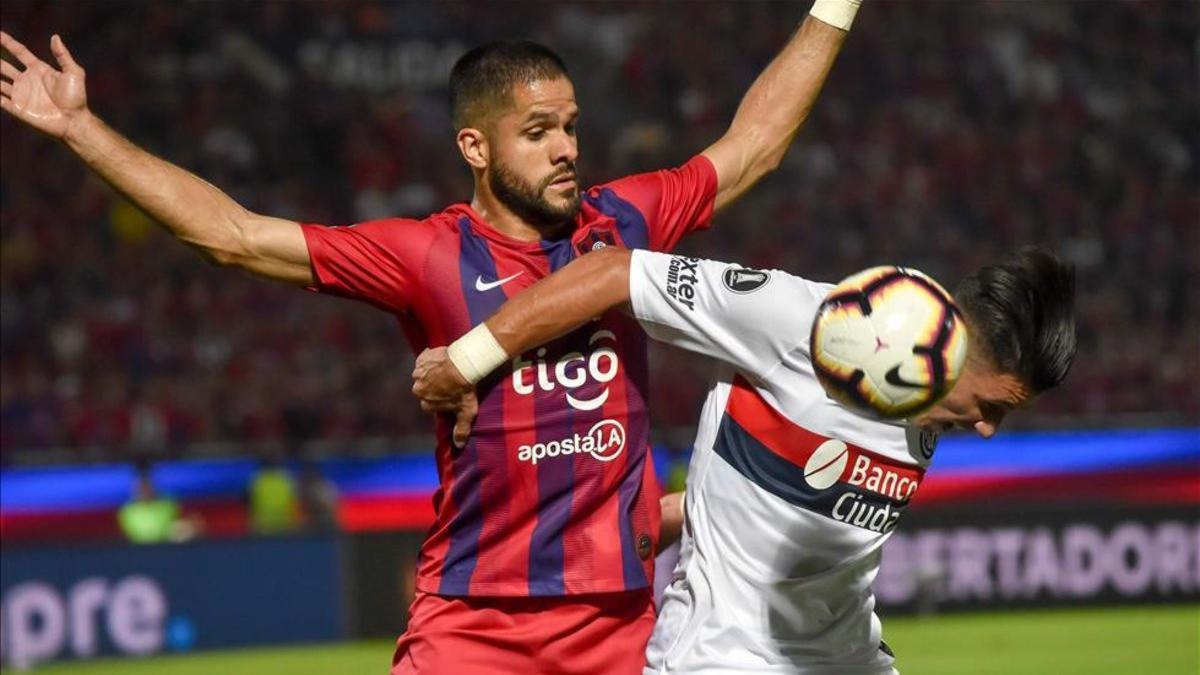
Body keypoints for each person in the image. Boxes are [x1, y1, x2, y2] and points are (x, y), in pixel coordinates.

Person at [0, 1, 863, 671]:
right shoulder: (426, 254)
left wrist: (837, 7)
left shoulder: (624, 220)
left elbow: (753, 147)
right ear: (475, 147)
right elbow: (234, 234)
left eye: (570, 126)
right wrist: (81, 129)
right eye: (538, 134)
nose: (566, 149)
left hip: (620, 622)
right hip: (473, 622)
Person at [411, 244, 1077, 673]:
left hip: (846, 657)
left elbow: (799, 487)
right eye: (990, 405)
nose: (987, 430)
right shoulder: (809, 324)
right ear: (950, 344)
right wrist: (470, 360)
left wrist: (669, 514)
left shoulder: (933, 408)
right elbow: (613, 272)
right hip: (725, 657)